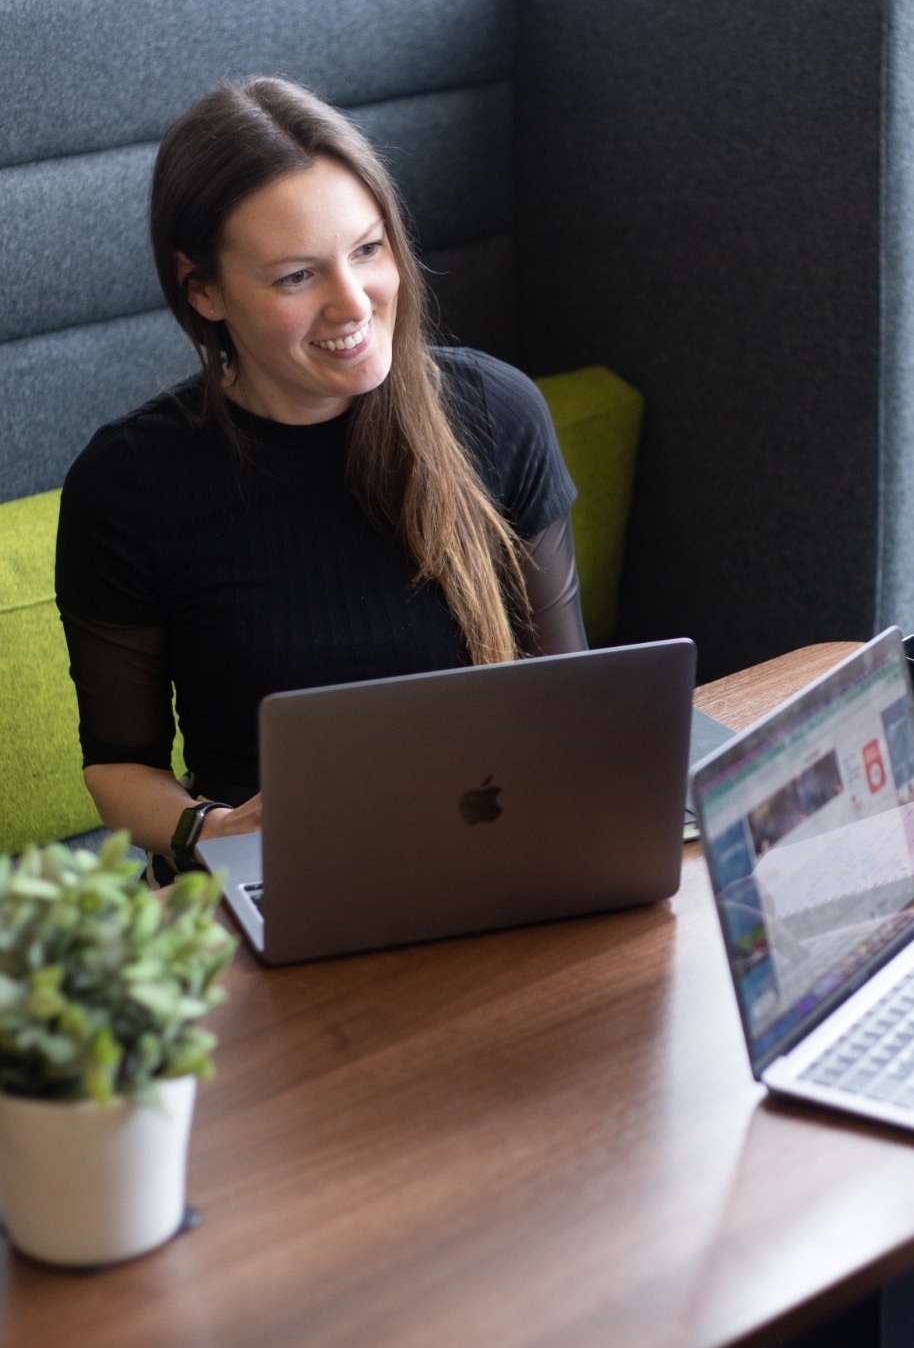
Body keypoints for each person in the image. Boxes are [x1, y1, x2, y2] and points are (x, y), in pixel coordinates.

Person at [55, 79, 587, 878]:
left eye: (368, 250)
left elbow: (572, 694)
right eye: (296, 277)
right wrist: (214, 830)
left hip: (490, 849)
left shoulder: (497, 412)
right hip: (270, 875)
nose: (354, 304)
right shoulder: (129, 484)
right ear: (203, 290)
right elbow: (120, 767)